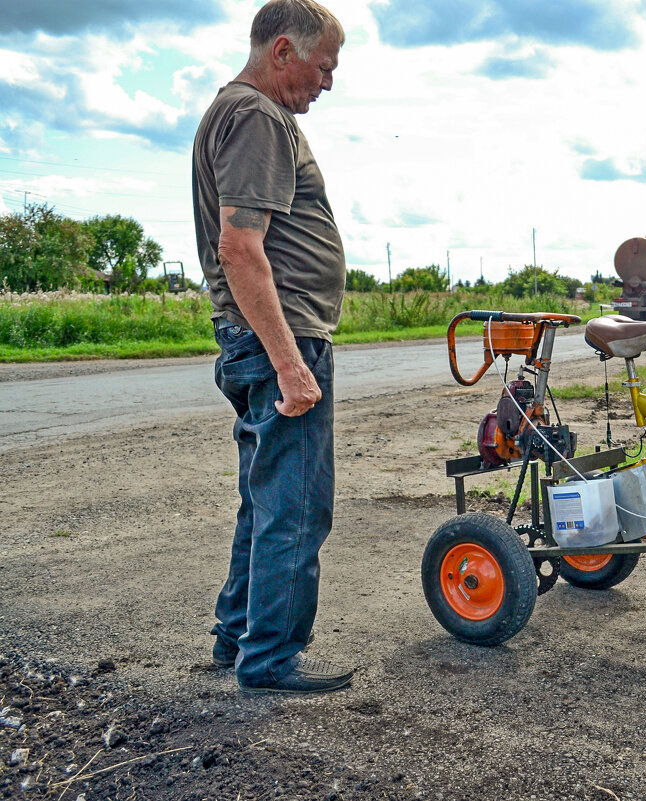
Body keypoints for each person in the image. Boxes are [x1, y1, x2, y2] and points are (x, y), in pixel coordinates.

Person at [192, 0, 352, 694]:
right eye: (324, 66)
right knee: (296, 504)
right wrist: (290, 364)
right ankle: (270, 658)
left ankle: (238, 637)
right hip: (278, 341)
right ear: (282, 51)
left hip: (261, 338)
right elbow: (240, 246)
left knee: (266, 499)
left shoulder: (238, 112)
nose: (328, 81)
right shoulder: (257, 115)